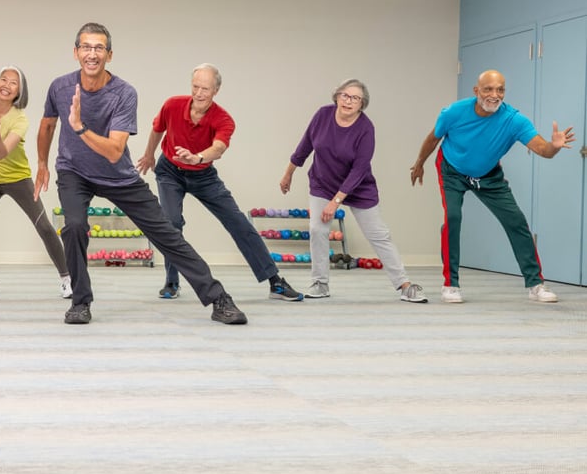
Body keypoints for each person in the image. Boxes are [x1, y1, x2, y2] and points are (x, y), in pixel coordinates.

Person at [34, 22, 247, 325]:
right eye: (86, 47)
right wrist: (42, 163)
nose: (91, 53)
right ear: (75, 52)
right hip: (74, 171)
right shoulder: (60, 86)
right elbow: (47, 125)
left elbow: (113, 151)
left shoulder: (124, 93)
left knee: (166, 233)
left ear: (109, 55)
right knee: (75, 226)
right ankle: (80, 302)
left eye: (98, 48)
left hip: (118, 175)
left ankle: (218, 298)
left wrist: (80, 127)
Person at [136, 64, 303, 302]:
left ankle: (275, 282)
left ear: (216, 90)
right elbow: (157, 129)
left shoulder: (223, 119)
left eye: (205, 88)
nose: (199, 93)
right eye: (195, 86)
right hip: (169, 171)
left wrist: (198, 157)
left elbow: (219, 147)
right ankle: (172, 281)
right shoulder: (172, 105)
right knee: (171, 223)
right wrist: (150, 154)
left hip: (203, 174)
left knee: (238, 222)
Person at [411, 69, 575, 303]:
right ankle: (451, 284)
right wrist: (419, 163)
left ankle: (535, 284)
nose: (494, 95)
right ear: (476, 91)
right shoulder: (454, 112)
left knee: (516, 222)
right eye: (488, 89)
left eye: (500, 89)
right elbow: (433, 138)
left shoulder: (513, 120)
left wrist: (554, 146)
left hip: (489, 176)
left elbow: (542, 149)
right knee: (453, 218)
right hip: (451, 170)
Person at [280, 78, 427, 303]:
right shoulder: (322, 115)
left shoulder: (366, 128)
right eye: (345, 95)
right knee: (318, 229)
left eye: (355, 98)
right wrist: (288, 173)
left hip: (358, 187)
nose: (348, 101)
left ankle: (405, 285)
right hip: (322, 182)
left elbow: (359, 169)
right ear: (337, 96)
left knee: (379, 235)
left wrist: (335, 202)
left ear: (362, 104)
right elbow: (304, 147)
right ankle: (320, 283)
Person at [0, 65, 71, 299]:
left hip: (17, 178)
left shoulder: (20, 119)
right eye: (3, 79)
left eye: (13, 83)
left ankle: (68, 278)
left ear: (19, 92)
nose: (6, 85)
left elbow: (2, 153)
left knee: (45, 227)